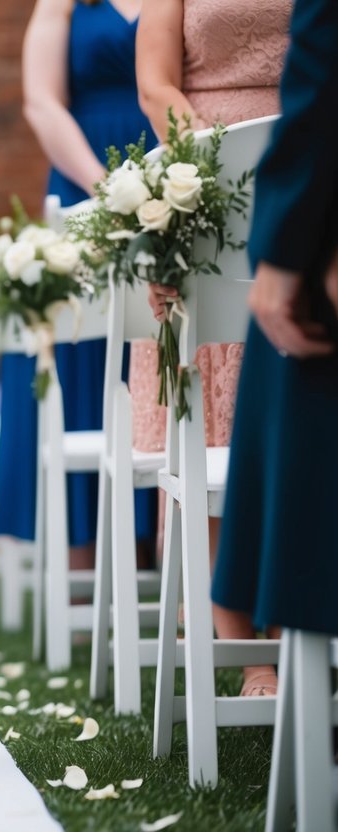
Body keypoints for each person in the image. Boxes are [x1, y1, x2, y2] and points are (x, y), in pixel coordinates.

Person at [135, 0, 291, 696]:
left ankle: (300, 630)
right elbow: (155, 84)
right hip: (203, 178)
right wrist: (217, 171)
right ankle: (246, 654)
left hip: (309, 159)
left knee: (296, 429)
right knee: (214, 424)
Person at [0, 0, 154, 571]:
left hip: (170, 158)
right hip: (88, 176)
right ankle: (87, 552)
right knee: (87, 345)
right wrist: (110, 187)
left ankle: (170, 545)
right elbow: (42, 102)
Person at [212, 0, 338, 658]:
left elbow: (322, 71)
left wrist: (284, 250)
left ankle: (294, 656)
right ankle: (253, 655)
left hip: (307, 189)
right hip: (213, 169)